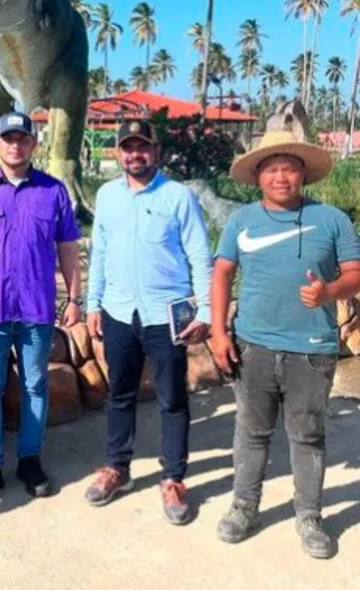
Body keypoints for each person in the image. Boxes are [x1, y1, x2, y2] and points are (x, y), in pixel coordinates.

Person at [211, 130, 360, 559]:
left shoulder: (332, 219)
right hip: (252, 345)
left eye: (289, 167)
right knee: (251, 433)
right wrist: (220, 332)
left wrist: (329, 292)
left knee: (307, 435)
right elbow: (221, 274)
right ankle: (244, 507)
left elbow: (355, 272)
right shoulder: (241, 221)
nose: (281, 176)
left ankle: (310, 515)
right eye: (271, 168)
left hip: (312, 347)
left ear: (303, 173)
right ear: (258, 175)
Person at [0, 111, 82, 506]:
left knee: (35, 384)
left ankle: (29, 459)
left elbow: (68, 249)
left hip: (37, 309)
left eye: (23, 138)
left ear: (33, 144)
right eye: (8, 138)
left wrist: (73, 299)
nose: (15, 145)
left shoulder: (54, 192)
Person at [84, 119, 213, 524]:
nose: (135, 154)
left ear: (156, 152)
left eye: (142, 147)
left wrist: (206, 311)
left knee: (172, 399)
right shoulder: (106, 196)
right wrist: (92, 304)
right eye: (128, 147)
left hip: (165, 316)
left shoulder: (179, 197)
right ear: (118, 153)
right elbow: (99, 253)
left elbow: (199, 257)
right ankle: (116, 467)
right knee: (119, 394)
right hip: (120, 312)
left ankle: (173, 477)